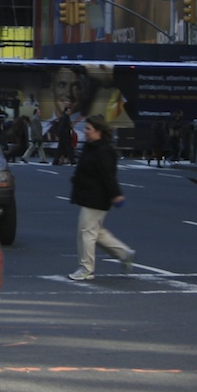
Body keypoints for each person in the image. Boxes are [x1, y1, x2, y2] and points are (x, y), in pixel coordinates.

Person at [67, 114, 133, 281]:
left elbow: (108, 175)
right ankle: (124, 254)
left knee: (86, 232)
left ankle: (86, 268)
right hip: (90, 195)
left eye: (88, 129)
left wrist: (115, 194)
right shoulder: (92, 147)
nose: (86, 131)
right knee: (95, 231)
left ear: (98, 131)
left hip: (97, 197)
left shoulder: (103, 150)